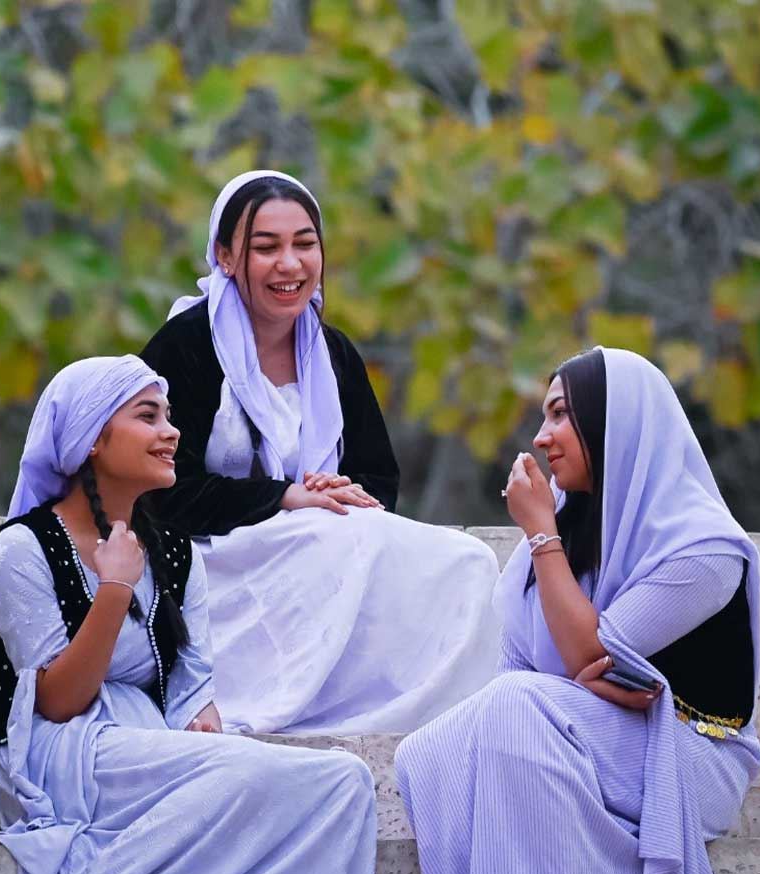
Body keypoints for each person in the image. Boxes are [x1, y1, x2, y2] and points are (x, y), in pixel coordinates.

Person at [0, 354, 377, 874]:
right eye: (148, 417)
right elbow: (56, 702)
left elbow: (192, 687)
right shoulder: (21, 549)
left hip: (151, 742)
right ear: (92, 439)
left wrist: (202, 726)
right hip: (65, 754)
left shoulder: (176, 554)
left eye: (169, 415)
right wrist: (114, 589)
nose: (172, 432)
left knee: (345, 782)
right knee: (254, 776)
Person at [394, 347, 760, 874]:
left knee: (519, 704)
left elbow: (587, 657)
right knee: (426, 751)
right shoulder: (564, 539)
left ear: (616, 421)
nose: (541, 437)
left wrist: (542, 536)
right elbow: (545, 673)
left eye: (561, 414)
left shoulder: (705, 550)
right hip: (579, 738)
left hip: (688, 756)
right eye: (544, 417)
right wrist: (584, 677)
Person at [139, 169, 500, 735]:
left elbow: (377, 479)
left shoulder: (333, 353)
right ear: (225, 257)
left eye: (304, 244)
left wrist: (335, 492)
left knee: (470, 560)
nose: (290, 264)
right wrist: (285, 498)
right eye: (267, 247)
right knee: (342, 538)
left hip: (324, 544)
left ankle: (437, 720)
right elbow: (159, 490)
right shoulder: (184, 346)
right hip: (215, 559)